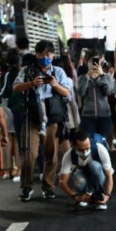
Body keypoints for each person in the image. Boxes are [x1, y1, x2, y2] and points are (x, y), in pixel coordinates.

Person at [12, 40, 73, 201]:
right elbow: (16, 87)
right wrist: (31, 83)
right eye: (41, 54)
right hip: (31, 118)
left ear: (53, 55)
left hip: (52, 119)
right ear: (36, 54)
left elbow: (67, 93)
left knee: (51, 156)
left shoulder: (58, 72)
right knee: (28, 154)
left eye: (48, 54)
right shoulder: (27, 70)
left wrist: (54, 84)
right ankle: (26, 187)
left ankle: (48, 186)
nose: (45, 57)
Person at [59, 130, 113, 211]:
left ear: (90, 143)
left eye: (87, 148)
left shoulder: (100, 149)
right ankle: (85, 195)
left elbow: (109, 176)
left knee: (94, 165)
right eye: (81, 149)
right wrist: (75, 196)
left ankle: (100, 197)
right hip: (82, 172)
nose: (85, 151)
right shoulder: (69, 155)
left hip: (98, 172)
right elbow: (62, 182)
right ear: (74, 146)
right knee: (78, 180)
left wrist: (107, 195)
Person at [77, 55, 116, 141]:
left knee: (103, 141)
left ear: (101, 64)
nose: (94, 64)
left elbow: (109, 91)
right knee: (91, 141)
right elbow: (81, 92)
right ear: (88, 63)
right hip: (88, 115)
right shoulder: (82, 77)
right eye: (91, 61)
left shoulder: (107, 76)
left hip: (104, 114)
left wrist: (102, 75)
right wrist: (87, 76)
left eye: (96, 61)